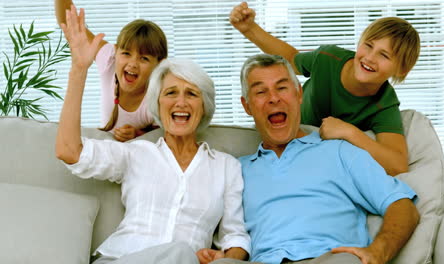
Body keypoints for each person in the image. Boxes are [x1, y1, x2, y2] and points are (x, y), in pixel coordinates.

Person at [55, 6, 250, 264]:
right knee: (181, 251)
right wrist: (79, 69)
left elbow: (235, 236)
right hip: (120, 259)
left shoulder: (227, 167)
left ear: (204, 107)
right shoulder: (136, 153)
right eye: (170, 93)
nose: (180, 102)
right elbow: (69, 150)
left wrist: (224, 258)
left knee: (181, 252)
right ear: (157, 105)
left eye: (191, 94)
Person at [211, 54, 419, 264]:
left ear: (299, 93)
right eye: (260, 91)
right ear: (247, 106)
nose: (273, 98)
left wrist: (378, 252)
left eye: (282, 88)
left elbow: (402, 206)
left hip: (330, 258)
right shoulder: (236, 170)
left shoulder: (339, 152)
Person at [229, 2, 421, 176]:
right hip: (285, 136)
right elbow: (290, 58)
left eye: (384, 55)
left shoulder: (384, 103)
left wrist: (349, 132)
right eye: (368, 46)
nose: (369, 58)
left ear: (401, 69)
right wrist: (250, 29)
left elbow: (397, 164)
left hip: (320, 160)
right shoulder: (328, 59)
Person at [55, 0, 168, 142]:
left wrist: (138, 134)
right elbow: (69, 23)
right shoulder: (110, 59)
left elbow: (166, 137)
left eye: (144, 58)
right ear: (116, 51)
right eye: (126, 53)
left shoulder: (159, 96)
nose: (133, 64)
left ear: (159, 65)